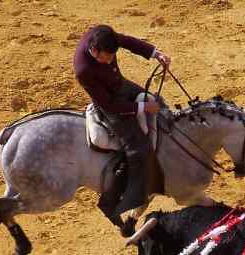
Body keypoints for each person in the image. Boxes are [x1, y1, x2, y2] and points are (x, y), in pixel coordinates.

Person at [73, 24, 171, 226]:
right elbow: (109, 104)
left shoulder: (103, 34)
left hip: (119, 85)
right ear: (94, 50)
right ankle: (113, 200)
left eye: (112, 56)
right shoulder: (83, 70)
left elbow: (126, 41)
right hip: (110, 105)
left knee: (160, 107)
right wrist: (142, 108)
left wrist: (155, 53)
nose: (109, 61)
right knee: (138, 149)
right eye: (105, 57)